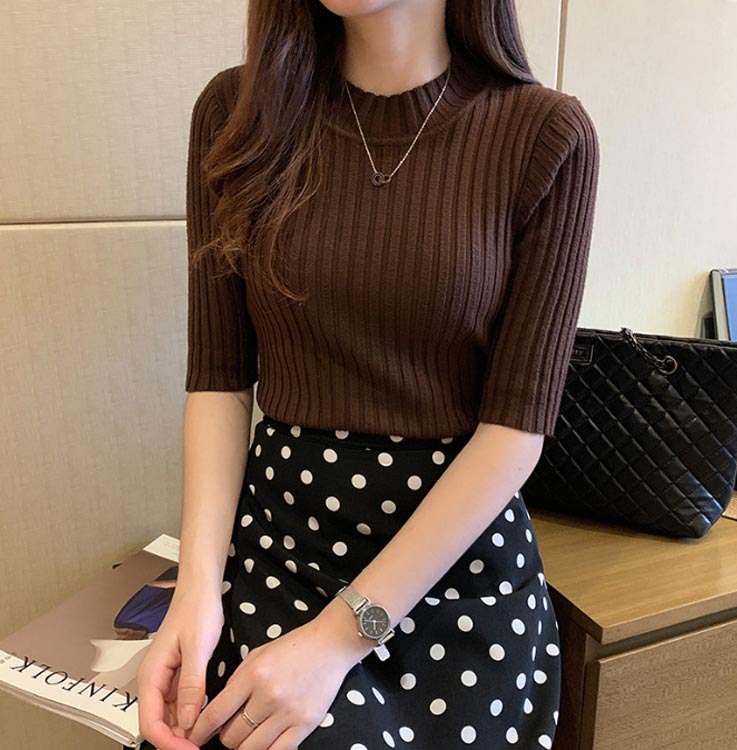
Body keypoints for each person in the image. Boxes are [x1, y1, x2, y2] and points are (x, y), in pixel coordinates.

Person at [135, 1, 600, 748]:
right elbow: (220, 380)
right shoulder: (236, 112)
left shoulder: (546, 134)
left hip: (454, 575)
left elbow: (516, 429)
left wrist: (339, 639)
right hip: (281, 549)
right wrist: (196, 592)